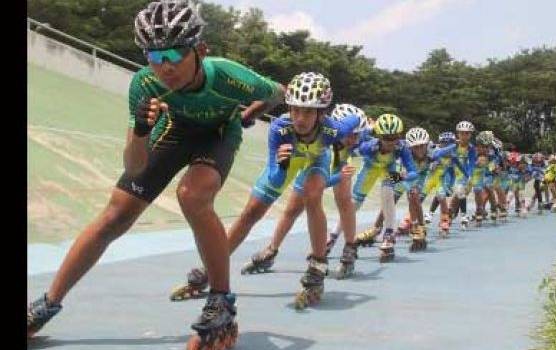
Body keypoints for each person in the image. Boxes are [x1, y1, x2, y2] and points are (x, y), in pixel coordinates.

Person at [27, 1, 285, 348]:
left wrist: (254, 111)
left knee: (193, 195)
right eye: (153, 55)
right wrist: (141, 130)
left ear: (200, 50)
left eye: (175, 54)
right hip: (174, 130)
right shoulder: (145, 84)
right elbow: (133, 167)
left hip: (218, 133)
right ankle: (47, 303)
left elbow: (278, 92)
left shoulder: (230, 77)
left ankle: (220, 301)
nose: (165, 67)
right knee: (114, 215)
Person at [167, 72, 359, 311]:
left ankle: (318, 265)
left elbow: (349, 131)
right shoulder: (280, 128)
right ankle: (212, 267)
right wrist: (282, 165)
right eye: (295, 109)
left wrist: (339, 172)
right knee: (251, 212)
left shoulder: (333, 130)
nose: (299, 118)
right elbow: (275, 177)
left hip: (316, 160)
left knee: (312, 195)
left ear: (321, 112)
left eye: (308, 111)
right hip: (287, 161)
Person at [240, 103, 369, 280]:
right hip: (312, 159)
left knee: (344, 200)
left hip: (335, 159)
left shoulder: (349, 144)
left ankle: (349, 247)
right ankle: (272, 249)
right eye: (351, 135)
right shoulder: (327, 131)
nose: (354, 140)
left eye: (358, 136)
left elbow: (340, 198)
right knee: (292, 209)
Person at [352, 114, 418, 262]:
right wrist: (368, 129)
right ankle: (334, 236)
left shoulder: (401, 147)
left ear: (399, 136)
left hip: (388, 169)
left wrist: (404, 176)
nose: (391, 142)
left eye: (394, 137)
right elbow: (350, 149)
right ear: (379, 136)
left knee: (388, 189)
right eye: (386, 138)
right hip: (370, 169)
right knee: (354, 203)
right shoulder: (369, 146)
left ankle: (389, 234)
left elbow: (413, 172)